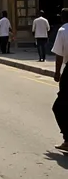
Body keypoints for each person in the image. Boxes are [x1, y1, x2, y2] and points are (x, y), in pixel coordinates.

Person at [52, 8, 68, 152]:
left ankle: (67, 139)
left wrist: (57, 73)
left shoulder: (63, 30)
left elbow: (59, 55)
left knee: (59, 106)